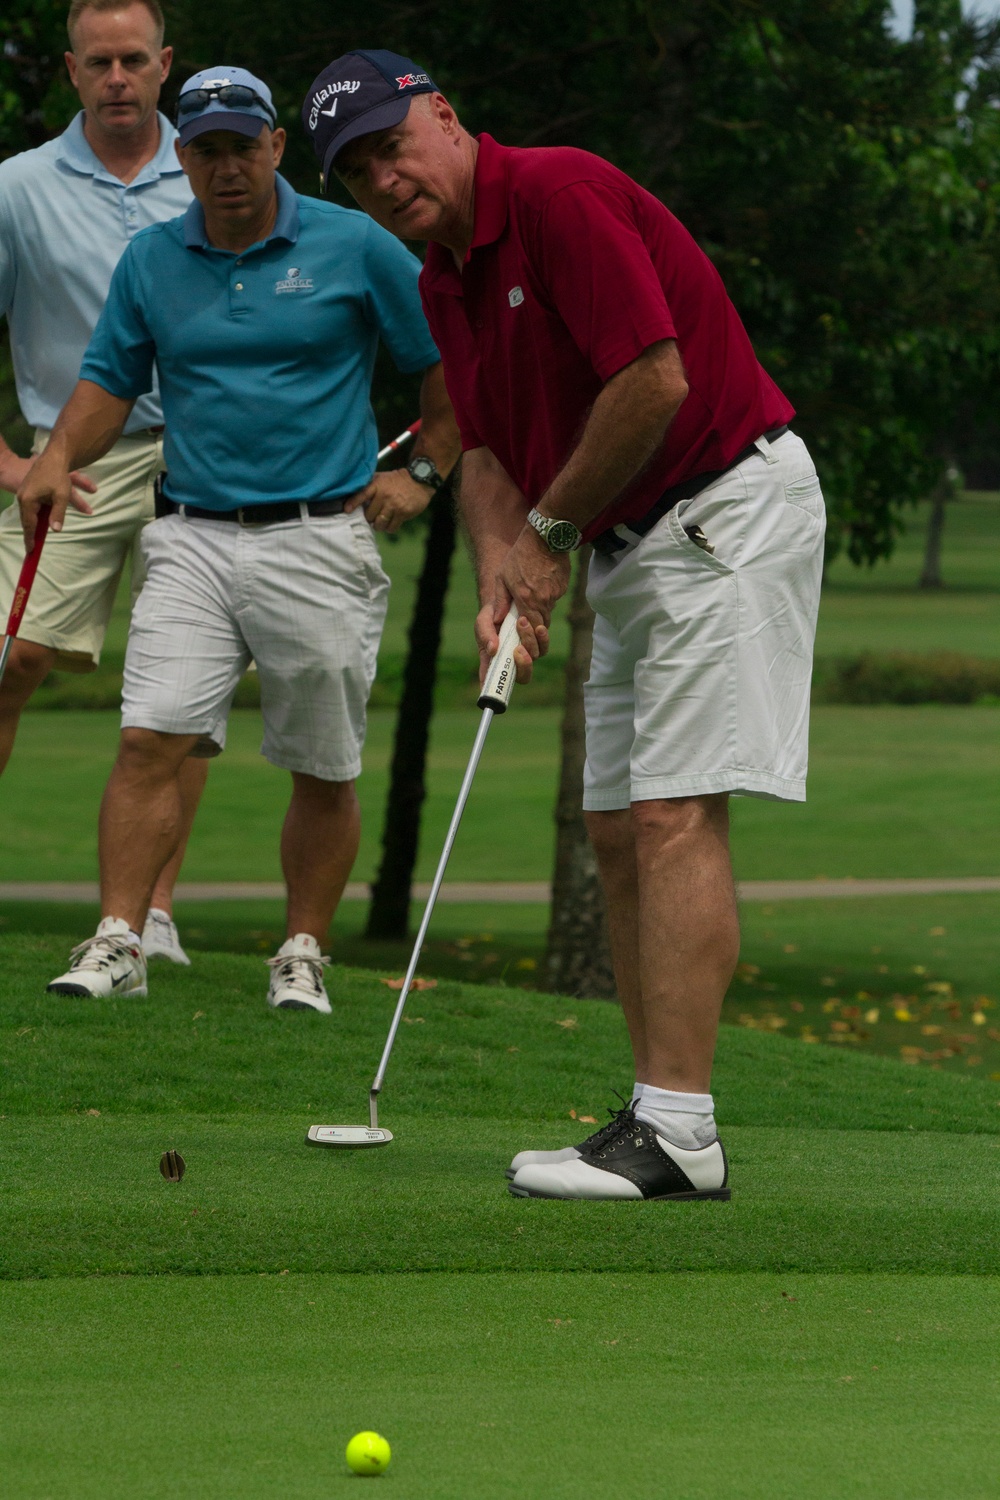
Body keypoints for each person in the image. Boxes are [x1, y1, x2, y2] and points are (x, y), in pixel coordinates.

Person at [304, 50, 825, 1196]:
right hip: (626, 541)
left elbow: (653, 379)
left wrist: (543, 535)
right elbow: (481, 445)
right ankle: (655, 1111)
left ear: (446, 117)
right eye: (356, 173)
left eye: (394, 144)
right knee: (610, 828)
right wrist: (501, 567)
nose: (385, 179)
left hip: (723, 510)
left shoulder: (559, 193)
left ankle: (680, 1128)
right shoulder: (443, 277)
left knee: (674, 812)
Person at [19, 65, 458, 1012]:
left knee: (323, 763)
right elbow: (107, 380)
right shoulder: (151, 259)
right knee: (149, 739)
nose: (225, 168)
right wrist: (56, 456)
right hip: (190, 536)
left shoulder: (354, 245)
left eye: (241, 147)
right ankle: (120, 941)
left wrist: (422, 474)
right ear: (184, 158)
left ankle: (301, 951)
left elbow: (447, 367)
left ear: (274, 148)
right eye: (206, 150)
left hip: (320, 537)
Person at [0, 0, 208, 965]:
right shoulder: (18, 186)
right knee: (9, 662)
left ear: (165, 64)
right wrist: (10, 463)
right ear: (72, 72)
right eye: (99, 62)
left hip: (204, 454)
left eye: (134, 59)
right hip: (67, 461)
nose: (118, 77)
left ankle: (152, 917)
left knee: (181, 698)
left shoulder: (218, 167)